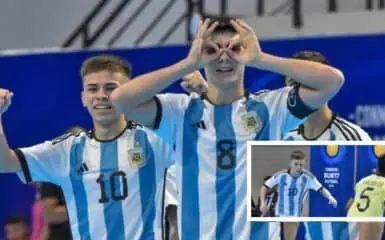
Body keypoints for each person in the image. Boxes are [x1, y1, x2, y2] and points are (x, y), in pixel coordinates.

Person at [110, 17, 344, 239]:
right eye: (212, 50)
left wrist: (261, 59)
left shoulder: (271, 109)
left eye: (234, 49)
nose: (224, 57)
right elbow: (121, 99)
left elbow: (332, 81)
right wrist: (187, 64)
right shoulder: (179, 113)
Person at [0, 55, 173, 239]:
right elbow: (5, 163)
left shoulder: (155, 140)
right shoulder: (67, 150)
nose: (101, 95)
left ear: (127, 94)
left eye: (111, 87)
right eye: (92, 89)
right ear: (83, 98)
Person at [283, 51, 371, 141]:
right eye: (293, 83)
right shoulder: (282, 136)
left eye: (308, 82)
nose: (300, 92)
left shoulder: (353, 138)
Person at [260, 150, 337, 240]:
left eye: (301, 165)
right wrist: (262, 203)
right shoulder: (281, 175)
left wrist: (330, 197)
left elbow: (321, 189)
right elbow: (264, 187)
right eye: (295, 164)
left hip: (294, 216)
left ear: (304, 164)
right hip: (278, 214)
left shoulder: (308, 177)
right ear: (290, 164)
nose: (298, 167)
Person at [347, 154, 385, 240]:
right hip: (371, 221)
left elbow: (349, 204)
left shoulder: (363, 181)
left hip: (352, 218)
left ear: (377, 168)